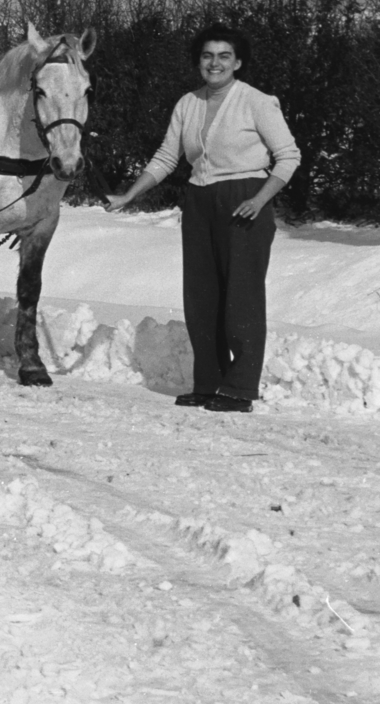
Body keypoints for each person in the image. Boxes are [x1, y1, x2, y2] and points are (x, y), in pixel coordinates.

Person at [105, 24, 300, 414]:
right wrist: (129, 193)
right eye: (208, 56)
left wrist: (260, 199)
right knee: (201, 298)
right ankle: (209, 383)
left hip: (244, 200)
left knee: (241, 298)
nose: (215, 63)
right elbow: (166, 157)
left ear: (238, 62)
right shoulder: (187, 103)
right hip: (198, 202)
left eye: (224, 56)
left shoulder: (257, 102)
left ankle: (240, 389)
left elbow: (289, 156)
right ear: (199, 61)